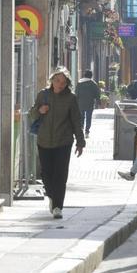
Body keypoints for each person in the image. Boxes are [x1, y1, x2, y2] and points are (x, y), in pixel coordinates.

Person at [29, 67, 86, 219]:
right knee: (46, 174)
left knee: (60, 174)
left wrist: (80, 142)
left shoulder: (71, 98)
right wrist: (40, 110)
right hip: (44, 141)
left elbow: (76, 120)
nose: (60, 84)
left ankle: (58, 207)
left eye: (63, 82)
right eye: (57, 81)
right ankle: (52, 197)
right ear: (52, 81)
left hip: (63, 141)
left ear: (67, 83)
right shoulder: (43, 95)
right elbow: (32, 114)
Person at [75, 70, 101, 138]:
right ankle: (87, 132)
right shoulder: (93, 84)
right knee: (89, 117)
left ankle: (81, 129)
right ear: (91, 76)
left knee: (81, 117)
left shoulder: (79, 83)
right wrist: (99, 102)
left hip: (80, 103)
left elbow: (76, 93)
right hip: (90, 103)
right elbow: (97, 94)